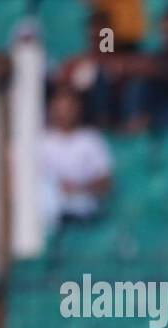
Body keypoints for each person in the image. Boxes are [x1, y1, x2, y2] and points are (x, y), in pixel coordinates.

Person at [40, 88, 113, 226]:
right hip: (47, 202)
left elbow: (106, 183)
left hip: (82, 202)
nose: (63, 113)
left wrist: (78, 188)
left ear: (78, 109)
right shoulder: (40, 140)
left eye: (68, 108)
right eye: (59, 108)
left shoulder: (91, 139)